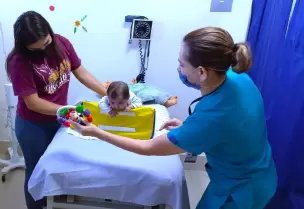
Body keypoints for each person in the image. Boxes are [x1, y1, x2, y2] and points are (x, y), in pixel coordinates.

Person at [71, 27, 277, 209]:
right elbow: (232, 126)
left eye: (182, 64)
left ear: (202, 72)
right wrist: (187, 127)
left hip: (240, 190)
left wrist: (97, 132)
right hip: (260, 172)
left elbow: (148, 148)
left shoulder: (211, 117)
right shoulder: (236, 76)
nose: (178, 69)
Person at [5, 11, 106, 209]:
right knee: (36, 172)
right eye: (37, 48)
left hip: (58, 120)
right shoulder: (19, 61)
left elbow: (81, 72)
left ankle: (55, 205)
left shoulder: (62, 43)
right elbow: (33, 102)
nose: (44, 49)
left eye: (46, 43)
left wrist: (106, 93)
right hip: (33, 125)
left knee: (59, 169)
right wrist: (67, 110)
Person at [102, 78, 178, 108]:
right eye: (112, 102)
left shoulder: (130, 97)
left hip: (134, 92)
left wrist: (131, 106)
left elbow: (139, 102)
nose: (116, 106)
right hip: (129, 88)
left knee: (152, 95)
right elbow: (101, 103)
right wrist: (108, 110)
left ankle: (167, 102)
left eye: (120, 103)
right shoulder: (109, 98)